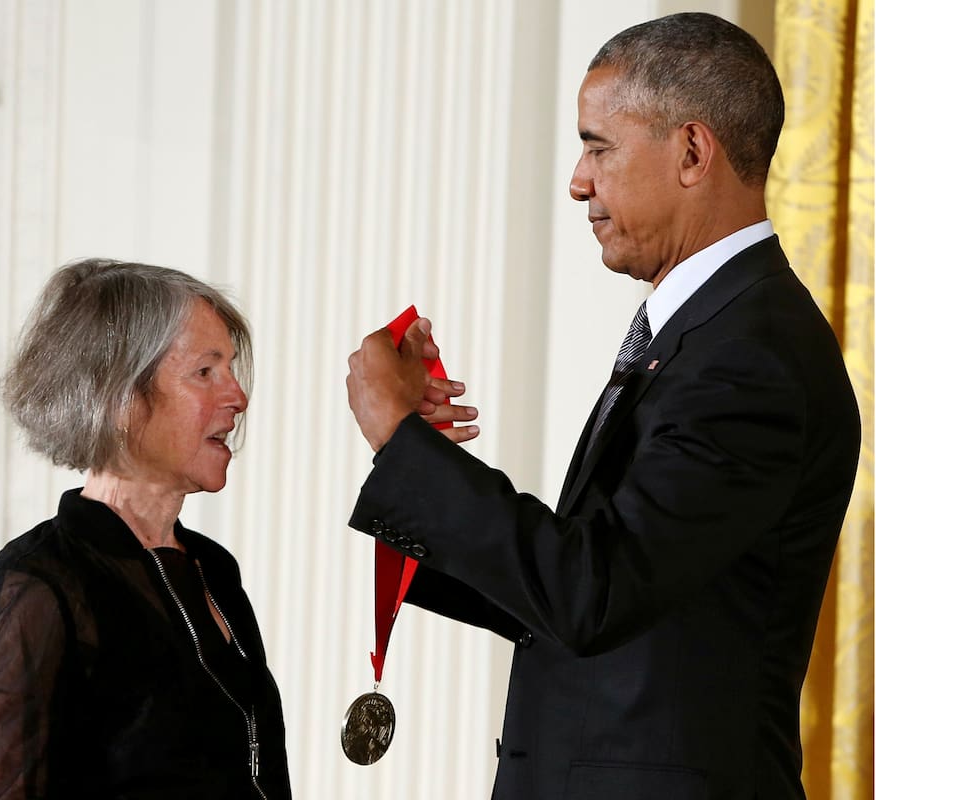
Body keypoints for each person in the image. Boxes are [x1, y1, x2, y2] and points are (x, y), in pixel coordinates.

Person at [344, 12, 859, 800]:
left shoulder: (753, 354)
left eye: (597, 146)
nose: (578, 181)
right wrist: (422, 460)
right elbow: (592, 594)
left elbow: (593, 593)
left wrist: (400, 447)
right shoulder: (708, 329)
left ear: (692, 152)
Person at [0, 259, 291, 799]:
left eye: (231, 369)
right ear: (118, 394)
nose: (238, 397)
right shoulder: (41, 581)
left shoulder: (213, 568)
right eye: (205, 372)